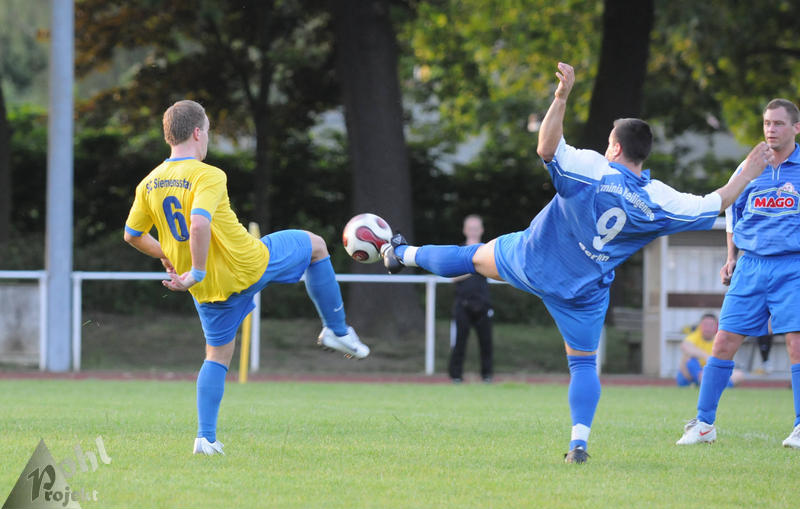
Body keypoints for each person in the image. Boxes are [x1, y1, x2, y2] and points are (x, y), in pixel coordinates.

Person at [380, 62, 772, 463]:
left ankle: (402, 254)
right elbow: (718, 201)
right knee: (583, 364)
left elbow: (546, 148)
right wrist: (749, 170)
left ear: (615, 148)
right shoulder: (660, 199)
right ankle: (578, 444)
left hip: (533, 259)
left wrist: (561, 97)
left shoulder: (592, 168)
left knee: (469, 256)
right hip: (582, 292)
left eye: (608, 142)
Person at [123, 100, 369, 456]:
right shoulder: (208, 175)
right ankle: (337, 330)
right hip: (248, 264)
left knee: (216, 356)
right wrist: (197, 268)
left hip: (208, 289)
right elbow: (198, 223)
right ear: (197, 133)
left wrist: (170, 256)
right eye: (208, 131)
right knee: (316, 246)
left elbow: (132, 235)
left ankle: (205, 438)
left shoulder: (148, 184)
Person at [676, 98, 800, 449]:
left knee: (796, 343)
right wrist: (731, 256)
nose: (771, 130)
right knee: (724, 341)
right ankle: (704, 424)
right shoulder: (749, 167)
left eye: (778, 123)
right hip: (751, 265)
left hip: (793, 265)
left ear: (796, 128)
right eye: (767, 123)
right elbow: (731, 211)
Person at [448, 215, 493, 383]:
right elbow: (453, 276)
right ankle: (456, 376)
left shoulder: (488, 250)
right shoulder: (458, 251)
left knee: (486, 343)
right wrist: (474, 266)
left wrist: (475, 266)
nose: (473, 231)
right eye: (470, 228)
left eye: (476, 228)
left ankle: (487, 376)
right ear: (465, 230)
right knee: (459, 342)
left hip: (483, 304)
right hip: (462, 304)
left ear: (481, 230)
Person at [676, 313, 743, 387]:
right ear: (700, 326)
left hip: (711, 372)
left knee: (738, 375)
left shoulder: (721, 339)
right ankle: (706, 381)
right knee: (688, 358)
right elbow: (685, 346)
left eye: (711, 325)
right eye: (705, 325)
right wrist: (706, 357)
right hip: (690, 374)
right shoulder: (694, 336)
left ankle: (708, 383)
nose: (708, 328)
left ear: (716, 326)